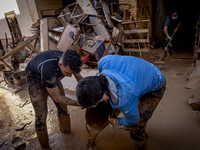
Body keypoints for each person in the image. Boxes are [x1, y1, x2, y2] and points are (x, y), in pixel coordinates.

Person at [76, 55, 166, 150]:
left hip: (156, 83)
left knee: (136, 128)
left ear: (102, 96)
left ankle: (140, 146)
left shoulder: (125, 98)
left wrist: (117, 121)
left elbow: (133, 120)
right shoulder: (104, 62)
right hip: (141, 70)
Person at [25, 49, 83, 149]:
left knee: (63, 107)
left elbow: (80, 80)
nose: (70, 76)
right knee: (41, 116)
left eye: (72, 73)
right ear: (60, 64)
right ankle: (45, 147)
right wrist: (78, 103)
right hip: (35, 80)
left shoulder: (70, 61)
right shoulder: (48, 70)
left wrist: (87, 94)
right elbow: (58, 98)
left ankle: (67, 133)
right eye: (67, 73)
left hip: (52, 77)